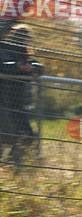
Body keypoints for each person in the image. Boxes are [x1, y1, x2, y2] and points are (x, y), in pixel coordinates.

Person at [0, 25, 44, 158]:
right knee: (8, 134)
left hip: (18, 104)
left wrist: (33, 68)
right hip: (4, 100)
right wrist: (18, 67)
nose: (28, 41)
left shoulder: (25, 55)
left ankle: (14, 163)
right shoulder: (4, 51)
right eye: (26, 38)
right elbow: (3, 66)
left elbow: (39, 67)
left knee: (27, 135)